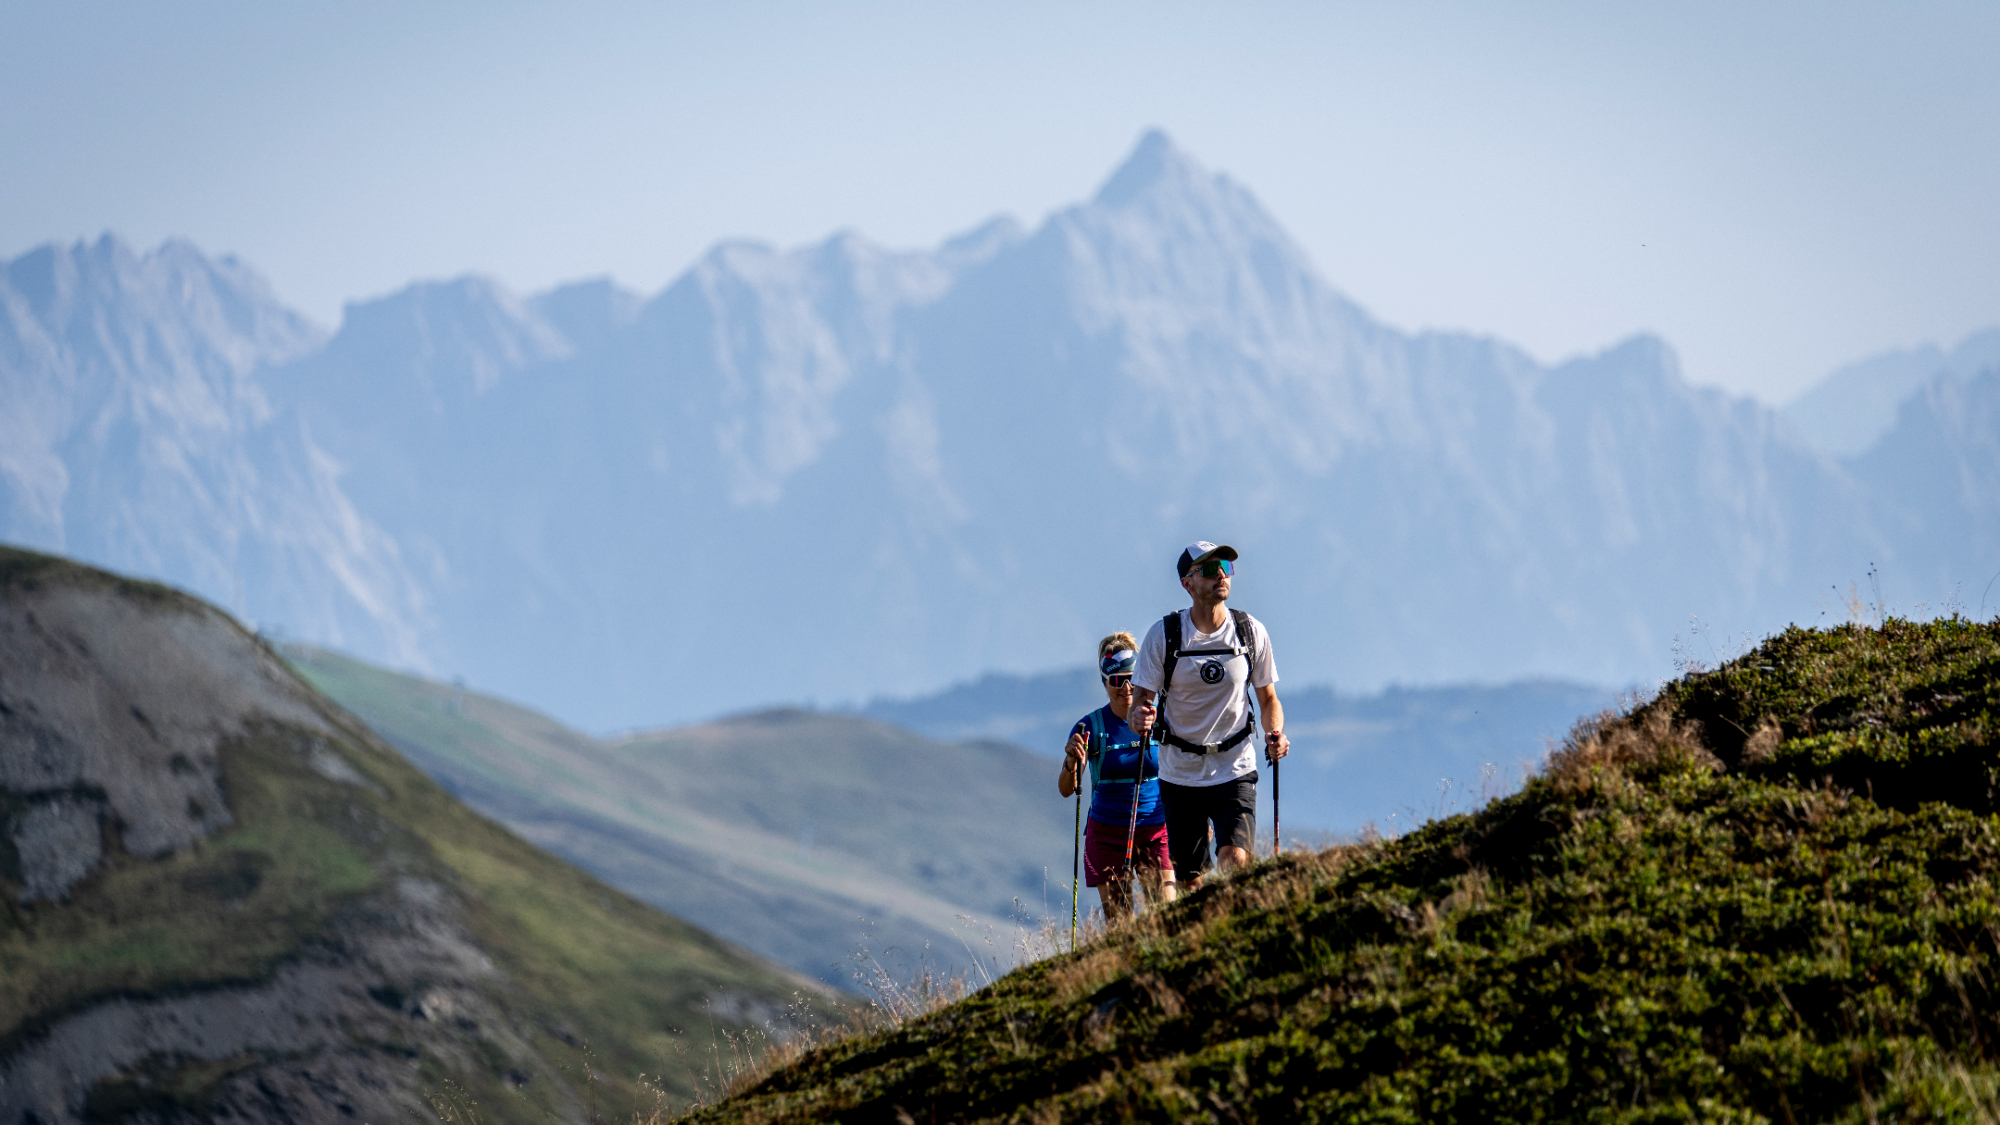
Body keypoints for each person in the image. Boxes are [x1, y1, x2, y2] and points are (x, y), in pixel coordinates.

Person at [1126, 541, 1289, 891]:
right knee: (1190, 882)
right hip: (1180, 774)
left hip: (1235, 767)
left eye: (1226, 569)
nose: (1222, 577)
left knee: (1236, 860)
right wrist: (1138, 717)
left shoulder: (1249, 631)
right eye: (1210, 570)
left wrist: (1275, 732)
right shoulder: (1165, 635)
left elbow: (1268, 698)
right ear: (1188, 583)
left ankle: (1238, 937)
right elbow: (1140, 701)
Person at [1059, 633, 1177, 920]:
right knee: (1120, 926)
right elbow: (1066, 789)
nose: (1126, 687)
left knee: (1166, 917)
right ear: (1104, 683)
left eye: (1131, 678)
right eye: (1116, 680)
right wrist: (1071, 760)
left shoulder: (1163, 716)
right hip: (1107, 833)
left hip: (1156, 828)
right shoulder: (1090, 726)